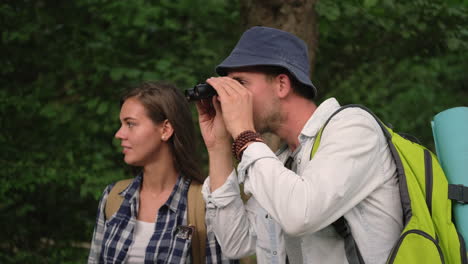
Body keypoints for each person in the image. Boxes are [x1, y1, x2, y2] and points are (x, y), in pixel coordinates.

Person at [196, 26, 403, 263]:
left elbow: (300, 215)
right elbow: (236, 243)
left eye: (240, 84)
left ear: (282, 85)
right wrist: (218, 147)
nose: (230, 99)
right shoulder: (283, 162)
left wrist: (244, 134)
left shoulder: (353, 128)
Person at [88, 81, 237, 263]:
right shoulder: (113, 197)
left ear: (165, 129)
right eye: (121, 124)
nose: (119, 134)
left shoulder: (205, 205)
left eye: (130, 124)